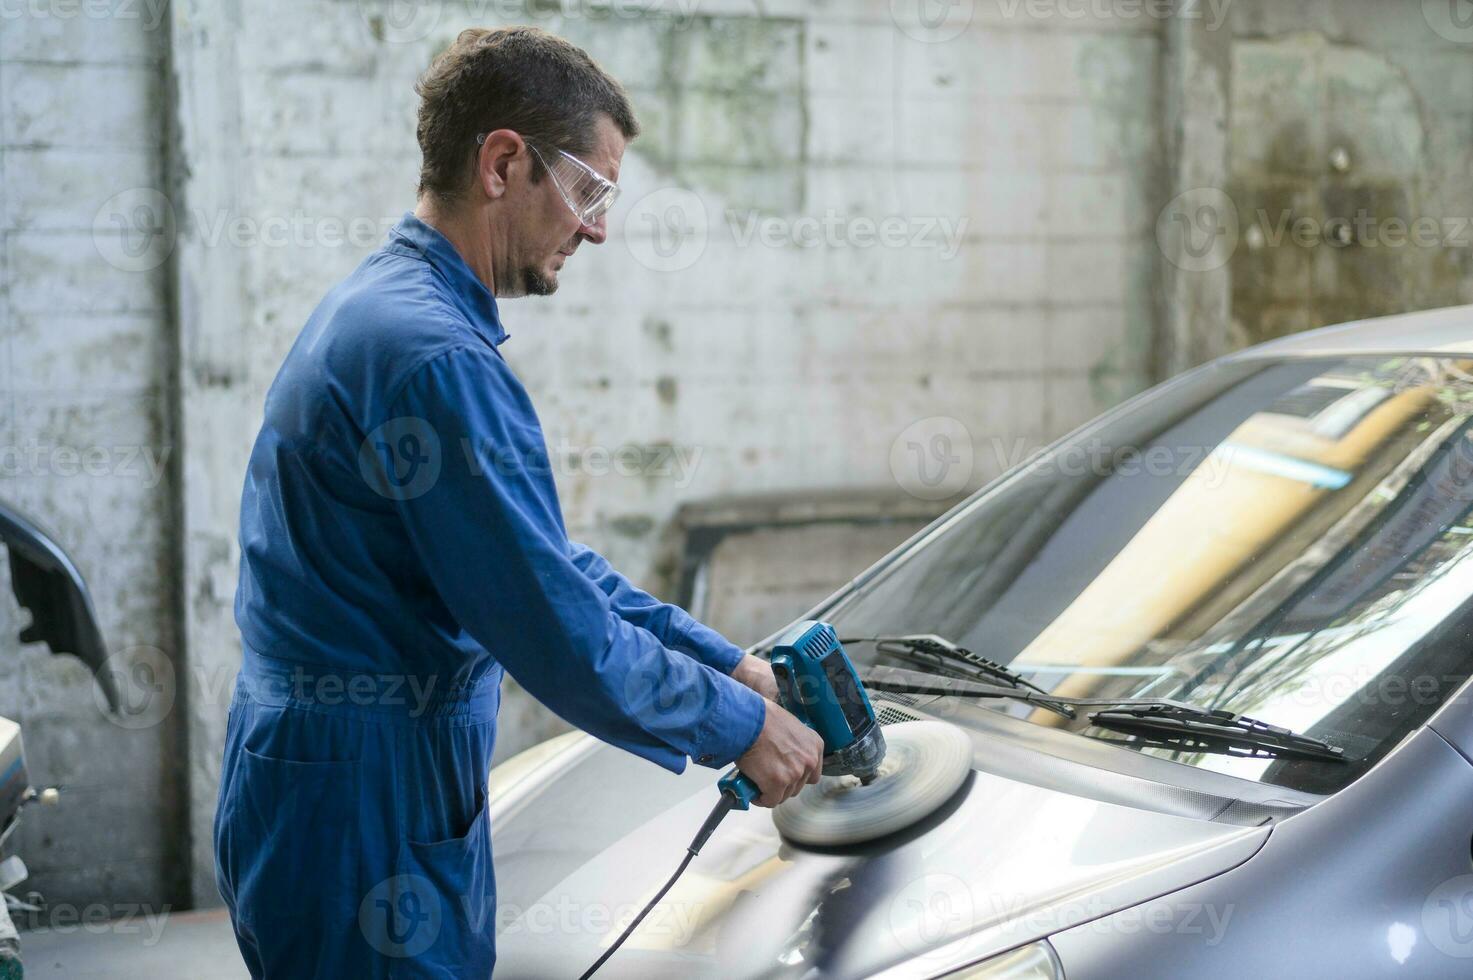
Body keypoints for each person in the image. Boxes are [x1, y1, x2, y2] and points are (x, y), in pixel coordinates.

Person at [212, 25, 824, 978]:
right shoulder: (436, 360)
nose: (598, 228)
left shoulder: (392, 311)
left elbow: (534, 563)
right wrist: (743, 729)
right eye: (589, 189)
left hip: (333, 775)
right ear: (503, 163)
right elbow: (556, 630)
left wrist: (729, 665)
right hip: (366, 797)